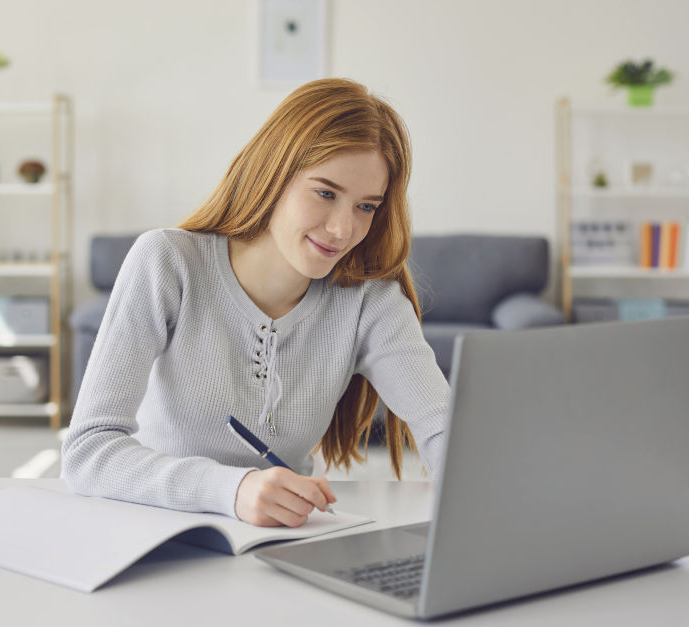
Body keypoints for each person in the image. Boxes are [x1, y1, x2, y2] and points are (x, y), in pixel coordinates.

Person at [62, 78, 449, 527]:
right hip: (155, 528)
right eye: (326, 193)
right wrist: (232, 488)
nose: (344, 229)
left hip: (283, 539)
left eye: (366, 207)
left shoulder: (369, 299)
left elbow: (443, 427)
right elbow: (89, 450)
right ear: (274, 174)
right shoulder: (168, 261)